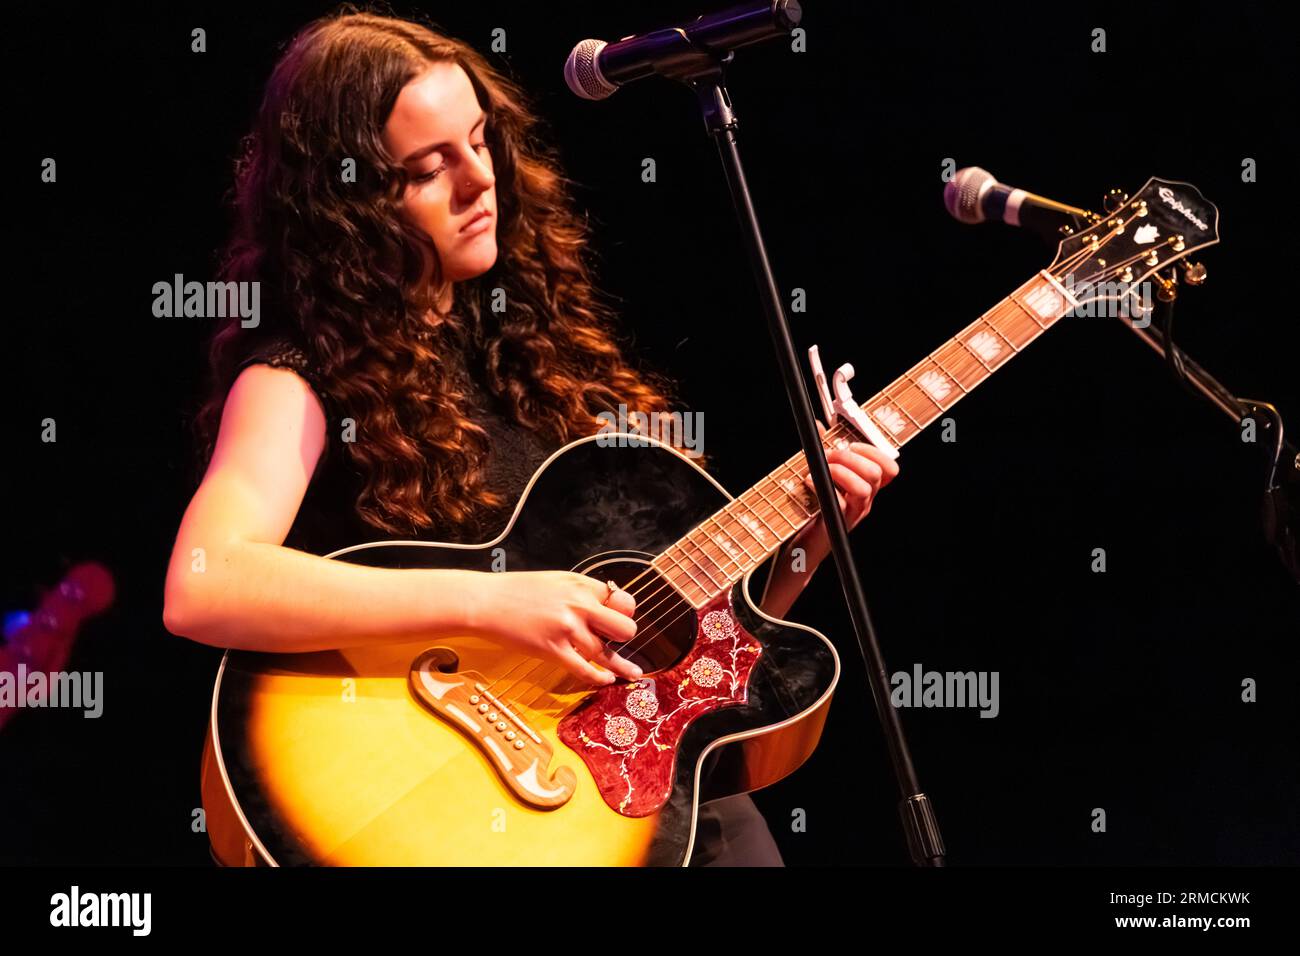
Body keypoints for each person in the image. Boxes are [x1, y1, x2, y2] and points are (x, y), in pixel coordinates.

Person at [162, 11, 898, 867]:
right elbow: (202, 586)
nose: (481, 181)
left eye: (480, 141)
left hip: (643, 796)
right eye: (429, 168)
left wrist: (815, 526)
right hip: (460, 812)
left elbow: (686, 648)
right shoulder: (296, 376)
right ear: (347, 203)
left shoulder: (532, 338)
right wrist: (493, 602)